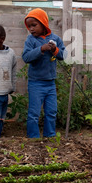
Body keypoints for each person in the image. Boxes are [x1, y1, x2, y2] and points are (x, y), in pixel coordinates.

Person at [22, 8, 66, 138]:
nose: (31, 29)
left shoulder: (55, 39)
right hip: (35, 83)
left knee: (51, 111)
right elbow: (26, 57)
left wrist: (55, 50)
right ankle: (33, 137)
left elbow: (64, 55)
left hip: (50, 83)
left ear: (44, 23)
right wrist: (41, 49)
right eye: (29, 26)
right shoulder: (30, 40)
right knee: (34, 113)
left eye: (34, 25)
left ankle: (50, 136)